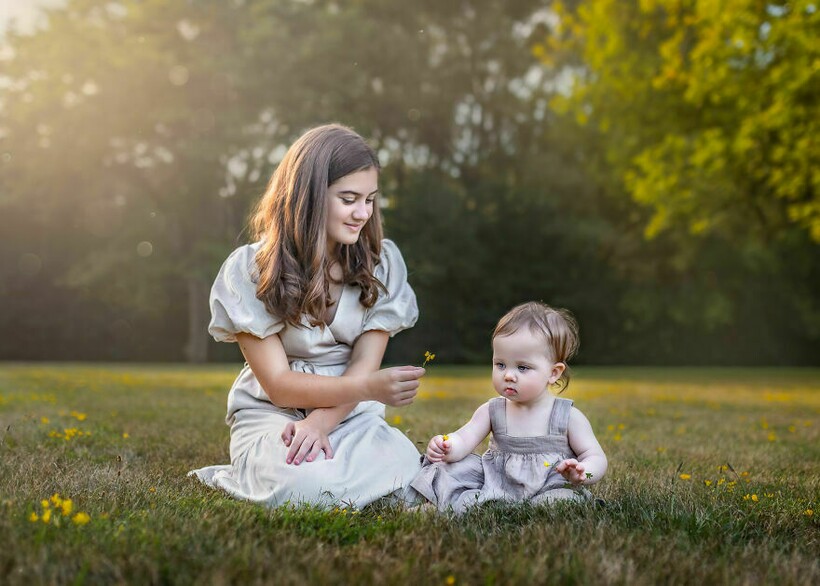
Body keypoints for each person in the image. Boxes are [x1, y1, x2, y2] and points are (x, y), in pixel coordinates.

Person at [190, 124, 425, 508]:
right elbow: (280, 384)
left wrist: (321, 422)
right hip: (272, 411)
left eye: (370, 199)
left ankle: (354, 467)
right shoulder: (249, 269)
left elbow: (364, 367)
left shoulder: (381, 263)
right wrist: (368, 390)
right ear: (310, 196)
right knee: (299, 487)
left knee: (406, 470)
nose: (363, 213)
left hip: (350, 415)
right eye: (349, 199)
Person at [410, 301, 607, 513]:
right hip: (496, 482)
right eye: (500, 364)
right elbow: (466, 438)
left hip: (551, 485)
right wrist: (449, 446)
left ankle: (537, 507)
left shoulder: (567, 416)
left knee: (560, 501)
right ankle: (445, 505)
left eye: (522, 367)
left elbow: (596, 458)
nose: (508, 375)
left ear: (553, 373)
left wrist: (583, 473)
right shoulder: (492, 410)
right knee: (451, 470)